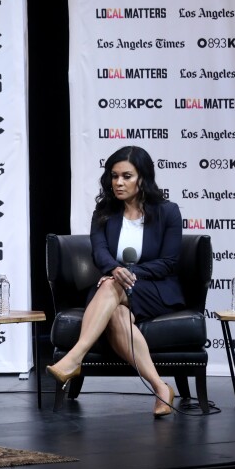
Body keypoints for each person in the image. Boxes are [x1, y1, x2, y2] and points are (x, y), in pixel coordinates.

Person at [46, 145, 184, 418]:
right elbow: (99, 252)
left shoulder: (168, 212)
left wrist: (129, 274)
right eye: (114, 176)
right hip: (112, 286)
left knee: (112, 284)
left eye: (127, 176)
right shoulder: (104, 211)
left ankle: (74, 358)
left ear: (143, 177)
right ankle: (160, 387)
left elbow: (168, 262)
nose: (118, 182)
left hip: (154, 287)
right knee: (117, 309)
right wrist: (114, 269)